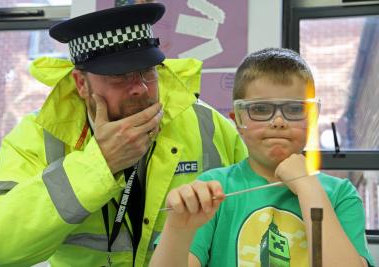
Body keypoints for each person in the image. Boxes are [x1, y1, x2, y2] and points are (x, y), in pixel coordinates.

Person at [0, 3, 247, 267]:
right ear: (81, 84)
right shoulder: (40, 135)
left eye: (147, 72)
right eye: (120, 77)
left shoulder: (204, 121)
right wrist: (100, 164)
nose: (140, 89)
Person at [149, 48, 375, 267]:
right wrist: (178, 229)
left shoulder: (340, 195)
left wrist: (307, 185)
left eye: (295, 109)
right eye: (260, 109)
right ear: (238, 121)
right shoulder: (213, 189)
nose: (278, 121)